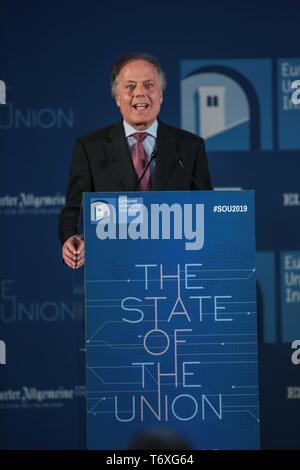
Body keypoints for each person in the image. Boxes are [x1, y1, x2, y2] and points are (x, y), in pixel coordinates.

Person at [59, 53, 213, 269]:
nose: (140, 93)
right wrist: (70, 238)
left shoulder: (190, 147)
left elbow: (207, 209)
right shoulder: (90, 147)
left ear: (161, 95)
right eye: (130, 86)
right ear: (116, 97)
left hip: (175, 267)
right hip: (113, 268)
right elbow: (72, 209)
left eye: (149, 85)